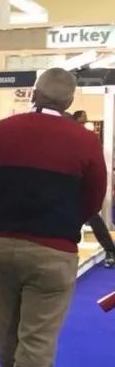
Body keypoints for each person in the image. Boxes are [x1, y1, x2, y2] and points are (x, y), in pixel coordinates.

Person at [0, 68, 106, 367]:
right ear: (70, 100)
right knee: (37, 339)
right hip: (53, 248)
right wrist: (66, 220)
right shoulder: (84, 141)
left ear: (33, 93)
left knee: (5, 331)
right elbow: (94, 197)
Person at [69, 110, 115, 267]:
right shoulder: (68, 137)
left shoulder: (85, 139)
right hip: (64, 183)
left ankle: (110, 250)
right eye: (81, 121)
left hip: (80, 183)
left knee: (93, 217)